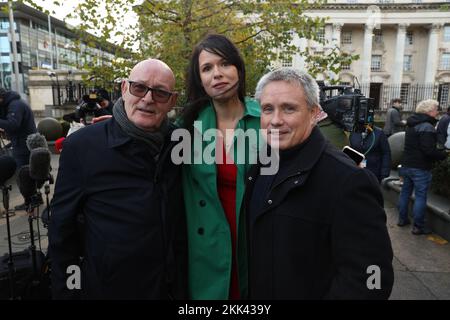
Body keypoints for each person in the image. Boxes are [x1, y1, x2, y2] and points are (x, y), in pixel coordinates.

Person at [246, 67, 394, 299]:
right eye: (268, 109)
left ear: (314, 113)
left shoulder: (349, 180)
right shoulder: (259, 165)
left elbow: (372, 278)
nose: (275, 120)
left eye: (289, 108)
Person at [49, 59, 187, 299]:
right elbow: (61, 234)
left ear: (172, 101)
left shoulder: (181, 143)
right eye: (139, 88)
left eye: (160, 93)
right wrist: (68, 293)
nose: (147, 98)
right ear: (124, 89)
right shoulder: (83, 147)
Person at [180, 34, 260, 299]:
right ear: (200, 80)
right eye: (207, 68)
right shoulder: (187, 128)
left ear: (238, 68)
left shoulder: (266, 120)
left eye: (225, 63)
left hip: (254, 243)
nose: (217, 74)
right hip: (206, 250)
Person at [397, 99, 447, 234]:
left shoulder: (411, 124)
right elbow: (428, 150)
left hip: (407, 165)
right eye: (436, 109)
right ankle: (418, 226)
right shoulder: (427, 126)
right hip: (420, 167)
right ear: (430, 111)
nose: (438, 112)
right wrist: (444, 155)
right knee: (420, 196)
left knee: (405, 193)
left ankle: (402, 219)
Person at [0, 87, 37, 211]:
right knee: (29, 172)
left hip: (23, 144)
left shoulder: (15, 105)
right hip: (22, 143)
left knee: (23, 174)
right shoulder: (13, 103)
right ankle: (34, 198)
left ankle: (30, 200)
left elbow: (13, 124)